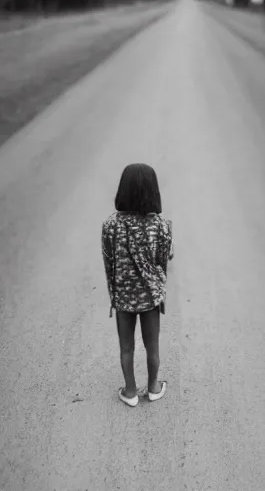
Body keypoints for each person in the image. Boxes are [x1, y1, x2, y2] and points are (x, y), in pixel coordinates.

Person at [102, 163, 173, 407]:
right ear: (153, 192)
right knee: (152, 346)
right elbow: (163, 262)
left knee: (126, 347)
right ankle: (153, 387)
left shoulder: (110, 225)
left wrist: (115, 294)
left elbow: (108, 262)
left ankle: (130, 391)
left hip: (123, 297)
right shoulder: (161, 226)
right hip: (151, 297)